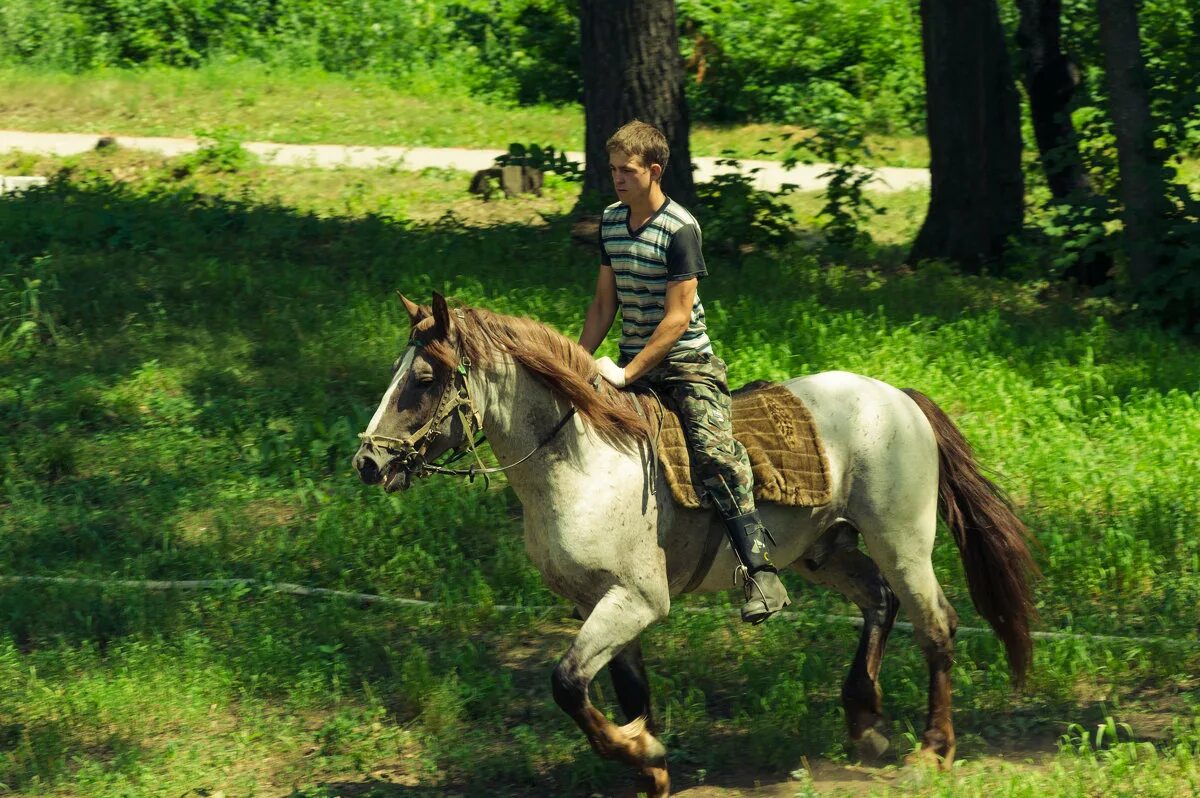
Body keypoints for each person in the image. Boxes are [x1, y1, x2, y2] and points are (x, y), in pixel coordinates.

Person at [577, 120, 791, 624]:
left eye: (627, 171)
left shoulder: (680, 229)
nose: (617, 179)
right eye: (612, 171)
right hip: (629, 360)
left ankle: (761, 570)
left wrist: (628, 373)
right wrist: (577, 360)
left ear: (654, 170)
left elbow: (676, 320)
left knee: (715, 451)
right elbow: (603, 304)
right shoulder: (611, 221)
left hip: (684, 364)